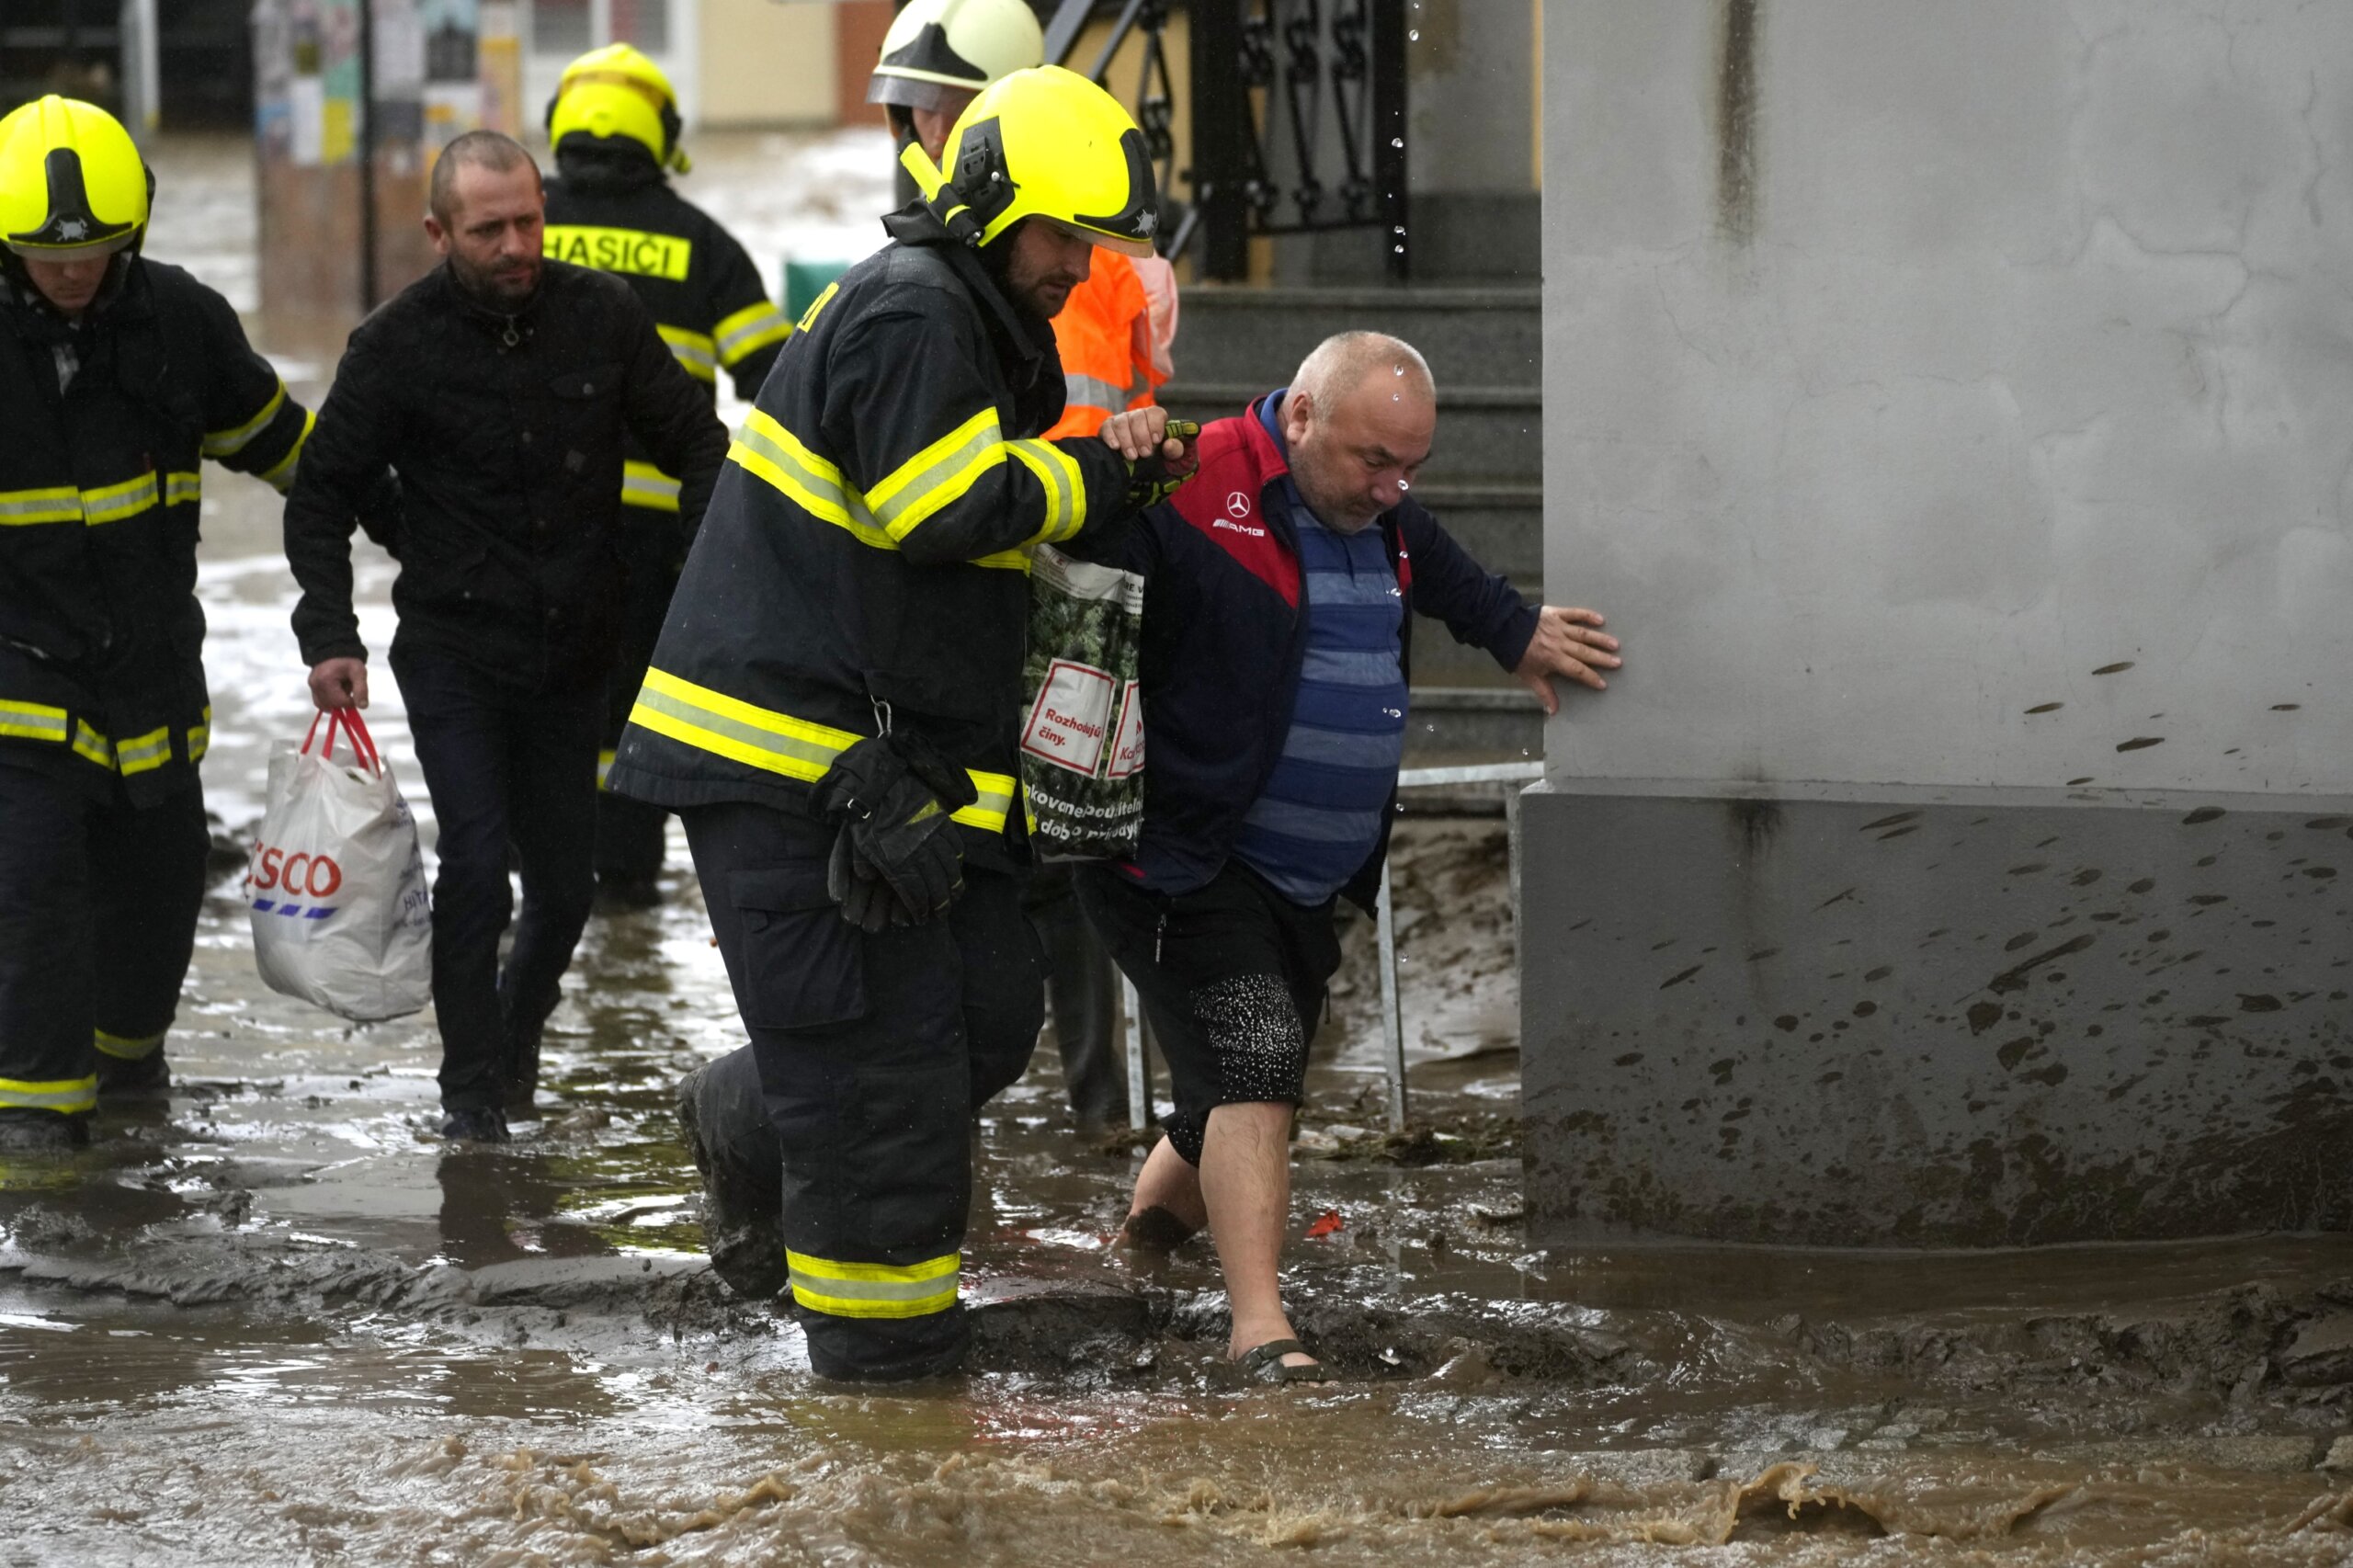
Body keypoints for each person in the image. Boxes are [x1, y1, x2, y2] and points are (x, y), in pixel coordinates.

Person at [607, 66, 1191, 1381]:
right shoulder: (915, 312)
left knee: (984, 1018)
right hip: (794, 769)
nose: (1076, 268)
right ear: (988, 210)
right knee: (881, 1086)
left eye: (1095, 244)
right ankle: (886, 1393)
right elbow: (941, 508)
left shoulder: (970, 323)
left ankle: (749, 1114)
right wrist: (1099, 472)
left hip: (888, 765)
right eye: (1061, 237)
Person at [1072, 333, 1624, 1381]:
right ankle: (1260, 1332)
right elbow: (1048, 540)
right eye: (1374, 460)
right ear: (1300, 419)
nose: (1391, 487)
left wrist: (1515, 632)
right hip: (1181, 854)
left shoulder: (1381, 512)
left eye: (1410, 464)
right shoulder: (1192, 477)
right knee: (1255, 1056)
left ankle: (1140, 1247)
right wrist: (1110, 453)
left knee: (1233, 1088)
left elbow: (1444, 567)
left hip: (1303, 875)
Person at [285, 131, 726, 1143]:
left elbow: (702, 445)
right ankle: (470, 1094)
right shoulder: (395, 347)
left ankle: (516, 1039)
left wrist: (692, 578)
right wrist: (329, 633)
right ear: (440, 233)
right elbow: (319, 496)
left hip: (578, 650)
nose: (516, 243)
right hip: (454, 651)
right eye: (489, 229)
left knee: (568, 892)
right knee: (477, 863)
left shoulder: (602, 316)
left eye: (529, 220)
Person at [870, 0, 1179, 1130]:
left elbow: (1131, 397)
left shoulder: (1064, 242)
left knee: (1068, 842)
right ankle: (1037, 1096)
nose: (920, 125)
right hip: (1000, 559)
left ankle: (1088, 1104)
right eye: (917, 105)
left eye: (936, 104)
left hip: (1063, 564)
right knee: (1024, 838)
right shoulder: (936, 253)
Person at [0, 97, 322, 1152]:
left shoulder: (177, 322)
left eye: (96, 249)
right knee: (36, 927)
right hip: (18, 693)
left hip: (150, 691)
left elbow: (294, 453)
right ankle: (42, 1225)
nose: (74, 271)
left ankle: (131, 1137)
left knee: (156, 919)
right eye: (50, 258)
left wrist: (442, 536)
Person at [541, 43, 794, 911]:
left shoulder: (514, 227)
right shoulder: (703, 246)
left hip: (526, 535)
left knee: (535, 702)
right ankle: (626, 886)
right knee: (632, 707)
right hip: (652, 541)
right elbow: (782, 383)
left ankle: (540, 875)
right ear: (662, 132)